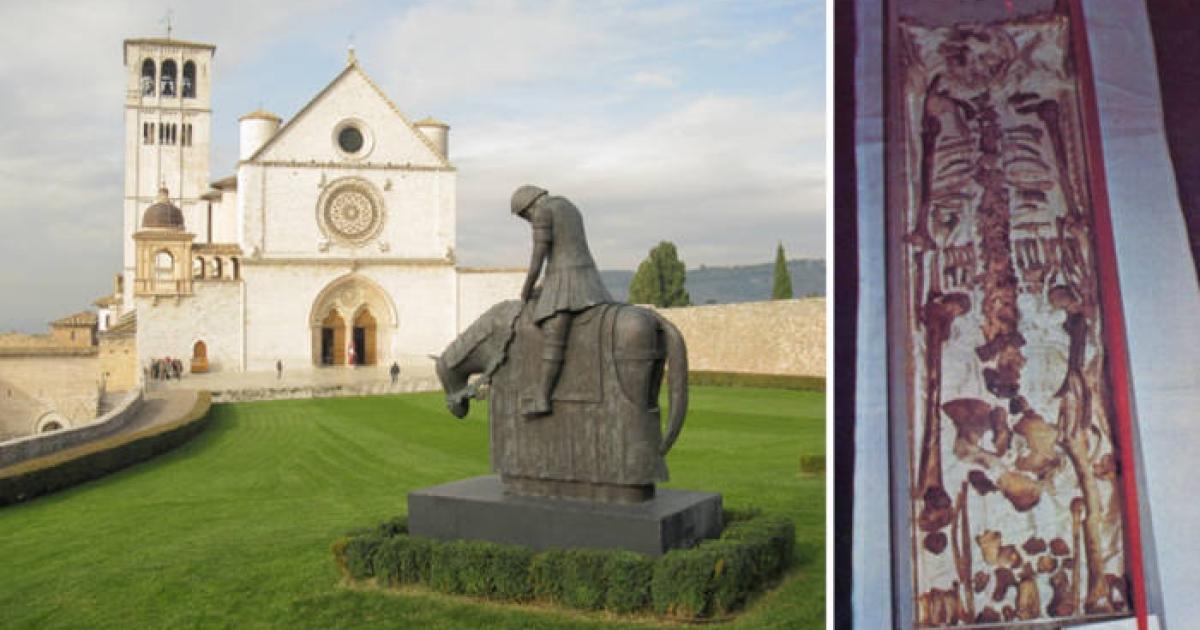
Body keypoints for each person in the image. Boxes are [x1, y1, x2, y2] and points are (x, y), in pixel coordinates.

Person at [511, 185, 614, 416]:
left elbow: (538, 257)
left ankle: (542, 397)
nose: (528, 220)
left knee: (553, 334)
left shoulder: (542, 212)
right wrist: (542, 287)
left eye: (525, 216)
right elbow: (565, 249)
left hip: (566, 280)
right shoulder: (568, 206)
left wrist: (527, 289)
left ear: (529, 206)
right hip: (588, 277)